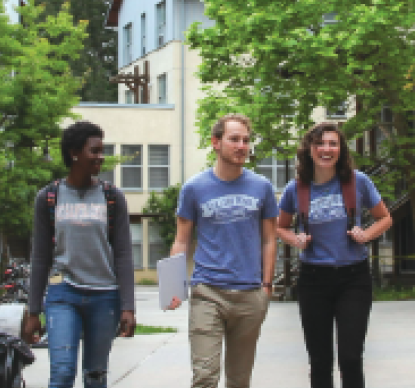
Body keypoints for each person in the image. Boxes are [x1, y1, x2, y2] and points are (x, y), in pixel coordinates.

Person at [275, 123, 393, 388]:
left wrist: (367, 234)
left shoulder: (358, 182)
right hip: (313, 280)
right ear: (309, 149)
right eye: (320, 144)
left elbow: (384, 218)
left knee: (351, 357)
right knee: (319, 361)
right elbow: (279, 226)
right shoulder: (297, 189)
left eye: (332, 144)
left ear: (340, 149)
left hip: (353, 278)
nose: (326, 149)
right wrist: (296, 239)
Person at [23, 121, 136, 388]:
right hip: (63, 294)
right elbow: (40, 257)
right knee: (62, 373)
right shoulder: (49, 197)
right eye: (94, 151)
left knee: (95, 378)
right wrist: (33, 310)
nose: (101, 157)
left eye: (102, 150)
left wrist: (128, 306)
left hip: (105, 296)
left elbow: (123, 254)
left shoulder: (112, 197)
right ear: (74, 153)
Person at [168, 114, 279, 388]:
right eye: (234, 139)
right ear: (216, 142)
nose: (242, 146)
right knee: (205, 377)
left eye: (246, 140)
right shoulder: (194, 188)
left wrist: (266, 287)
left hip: (249, 294)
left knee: (239, 381)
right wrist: (172, 286)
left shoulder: (262, 187)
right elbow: (181, 240)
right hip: (208, 292)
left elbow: (269, 239)